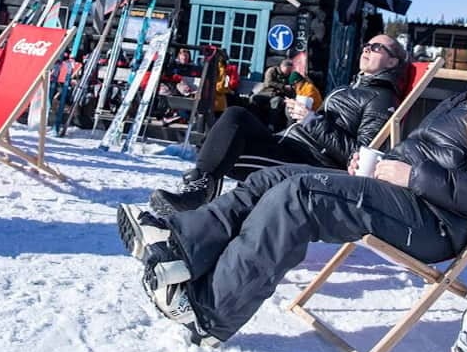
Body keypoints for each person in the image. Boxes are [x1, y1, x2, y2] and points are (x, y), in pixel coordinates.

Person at [118, 40, 467, 347]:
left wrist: (409, 176)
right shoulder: (465, 102)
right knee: (274, 178)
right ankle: (182, 246)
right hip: (404, 200)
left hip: (436, 223)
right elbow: (419, 157)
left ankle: (210, 312)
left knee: (299, 195)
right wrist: (375, 165)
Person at [149, 34, 408, 216]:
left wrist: (311, 120)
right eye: (366, 45)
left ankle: (199, 196)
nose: (366, 49)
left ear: (393, 61)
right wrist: (300, 117)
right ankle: (200, 188)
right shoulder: (353, 88)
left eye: (376, 48)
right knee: (236, 115)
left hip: (310, 162)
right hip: (289, 143)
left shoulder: (381, 99)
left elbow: (362, 158)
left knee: (227, 149)